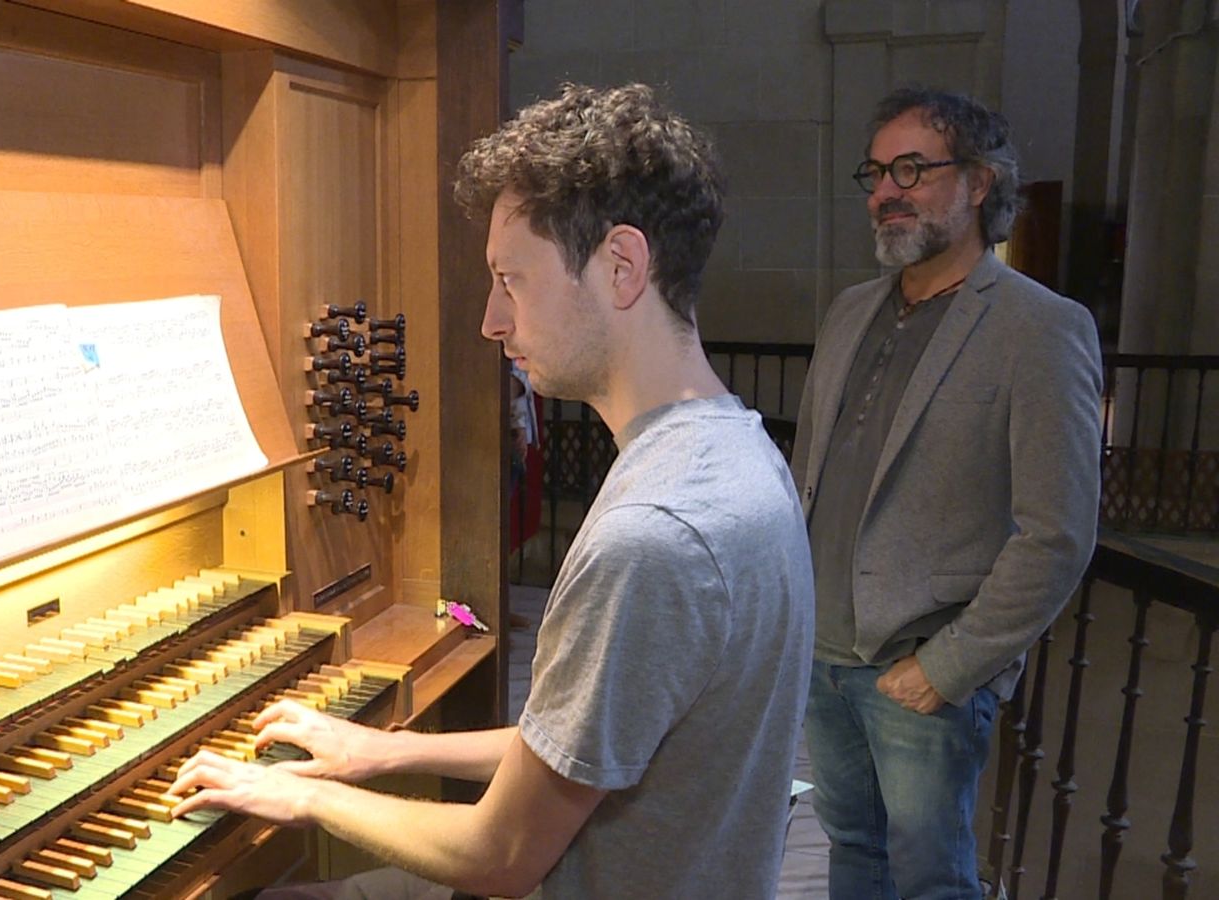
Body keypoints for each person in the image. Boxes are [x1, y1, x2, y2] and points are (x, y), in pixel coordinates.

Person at [169, 83, 815, 899]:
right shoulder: (738, 451)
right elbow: (589, 739)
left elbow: (499, 854)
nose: (489, 321)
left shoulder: (652, 534)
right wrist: (388, 751)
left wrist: (302, 794)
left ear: (621, 266)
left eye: (510, 280)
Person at [790, 87, 1102, 899]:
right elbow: (810, 477)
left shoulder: (1040, 327)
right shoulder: (850, 311)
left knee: (932, 880)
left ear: (979, 183)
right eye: (875, 172)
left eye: (910, 169)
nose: (884, 191)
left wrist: (950, 667)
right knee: (854, 851)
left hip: (920, 671)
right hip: (822, 656)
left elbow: (1058, 534)